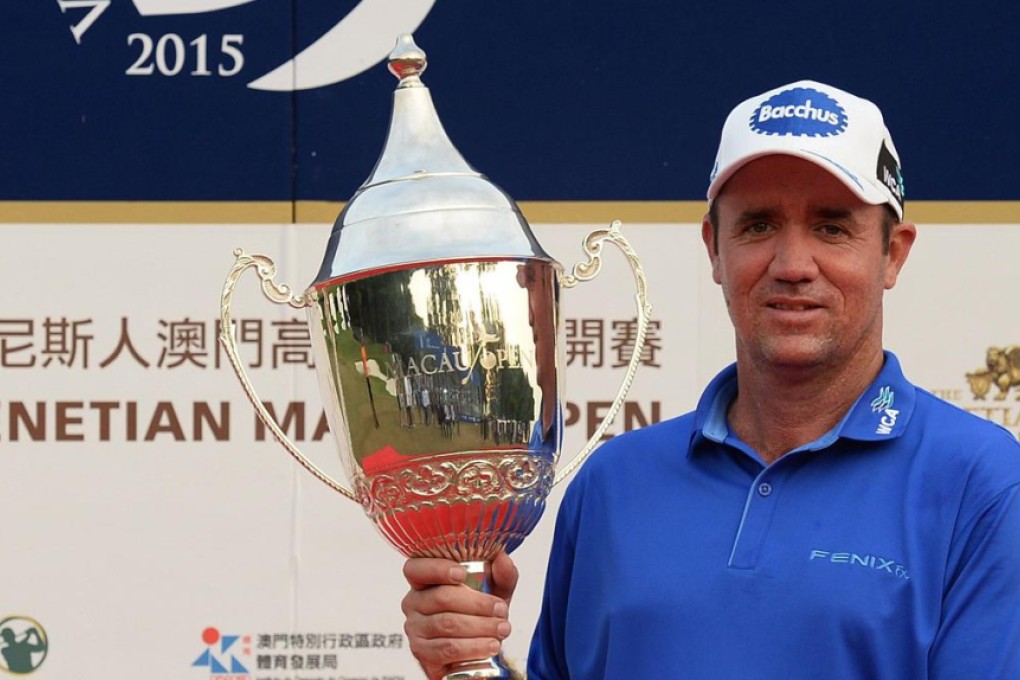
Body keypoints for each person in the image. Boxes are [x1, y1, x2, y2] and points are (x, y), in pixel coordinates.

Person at [400, 80, 1020, 678]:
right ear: (714, 249)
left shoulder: (982, 482)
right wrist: (465, 662)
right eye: (758, 226)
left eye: (832, 228)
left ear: (893, 254)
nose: (792, 265)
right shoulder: (612, 485)